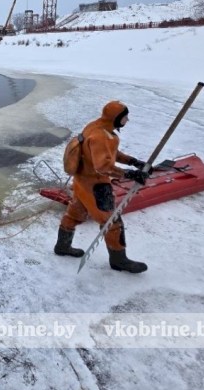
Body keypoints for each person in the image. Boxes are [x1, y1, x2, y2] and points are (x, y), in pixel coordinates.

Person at [53, 100, 150, 273]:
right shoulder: (101, 137)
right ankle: (119, 260)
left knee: (74, 214)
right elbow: (103, 166)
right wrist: (129, 174)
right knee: (112, 221)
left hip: (81, 180)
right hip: (95, 185)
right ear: (116, 118)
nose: (127, 120)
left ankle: (62, 246)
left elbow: (109, 154)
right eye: (125, 117)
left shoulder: (96, 127)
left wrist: (133, 162)